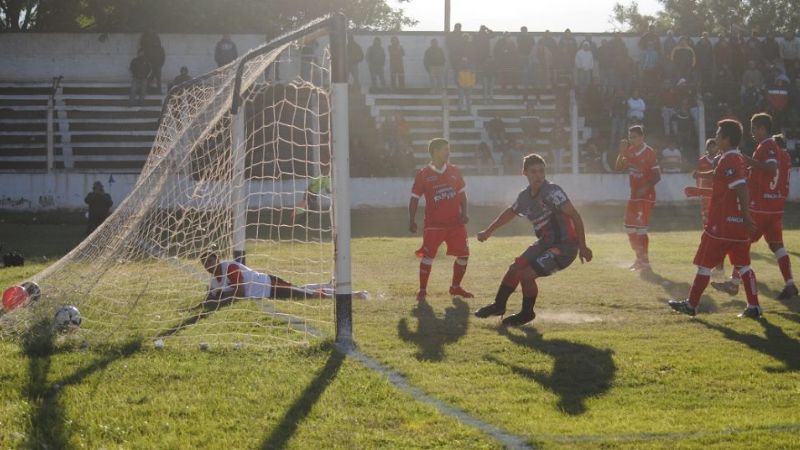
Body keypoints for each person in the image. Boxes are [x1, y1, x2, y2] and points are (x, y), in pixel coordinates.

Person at [473, 153, 592, 326]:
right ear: (524, 173)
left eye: (541, 171)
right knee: (515, 268)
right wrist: (488, 231)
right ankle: (498, 306)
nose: (538, 175)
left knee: (527, 275)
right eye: (534, 171)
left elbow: (575, 215)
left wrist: (583, 246)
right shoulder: (524, 196)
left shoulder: (552, 191)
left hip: (564, 247)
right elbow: (510, 212)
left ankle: (527, 313)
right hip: (545, 243)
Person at [669, 119, 763, 319]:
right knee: (744, 266)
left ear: (727, 139)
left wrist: (746, 215)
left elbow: (741, 187)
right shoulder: (733, 158)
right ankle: (754, 306)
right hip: (737, 226)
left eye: (719, 134)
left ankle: (691, 305)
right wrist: (700, 184)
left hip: (722, 224)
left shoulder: (730, 160)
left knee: (704, 265)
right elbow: (722, 179)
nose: (716, 137)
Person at [711, 114, 797, 300]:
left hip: (760, 207)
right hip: (775, 207)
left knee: (741, 243)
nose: (752, 132)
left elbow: (770, 168)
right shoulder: (784, 154)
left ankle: (734, 284)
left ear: (763, 129)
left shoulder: (767, 146)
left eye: (754, 128)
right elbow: (769, 173)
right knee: (777, 246)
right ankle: (790, 284)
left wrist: (744, 159)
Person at [409, 138, 473, 302]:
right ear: (435, 152)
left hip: (455, 223)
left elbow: (462, 194)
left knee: (464, 255)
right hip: (434, 225)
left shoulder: (454, 170)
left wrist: (464, 213)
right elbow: (414, 198)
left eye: (448, 149)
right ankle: (422, 290)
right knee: (428, 257)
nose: (448, 152)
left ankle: (455, 287)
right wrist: (412, 220)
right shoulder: (423, 174)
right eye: (445, 149)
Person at [198, 252, 368, 308]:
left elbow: (240, 292)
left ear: (217, 259)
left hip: (269, 285)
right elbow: (210, 297)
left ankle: (354, 295)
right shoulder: (214, 281)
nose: (207, 265)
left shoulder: (229, 268)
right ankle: (328, 285)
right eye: (204, 263)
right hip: (267, 290)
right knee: (300, 289)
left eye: (210, 261)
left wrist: (221, 298)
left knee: (308, 295)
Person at [615, 125, 661, 272]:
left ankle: (644, 262)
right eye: (630, 137)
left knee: (641, 229)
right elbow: (618, 168)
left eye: (634, 137)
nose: (632, 140)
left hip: (646, 196)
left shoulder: (649, 152)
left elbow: (657, 176)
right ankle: (639, 259)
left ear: (642, 137)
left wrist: (644, 188)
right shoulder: (629, 151)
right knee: (629, 227)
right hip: (634, 196)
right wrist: (621, 153)